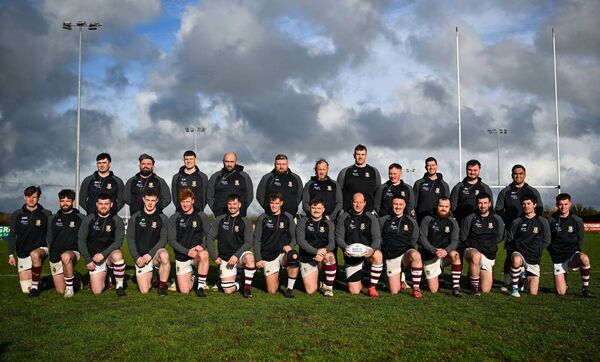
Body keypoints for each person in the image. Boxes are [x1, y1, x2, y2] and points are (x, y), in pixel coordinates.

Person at [496, 164, 543, 292]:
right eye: (515, 173)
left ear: (525, 175)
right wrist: (511, 223)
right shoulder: (505, 191)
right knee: (510, 254)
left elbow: (539, 209)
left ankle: (525, 279)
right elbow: (499, 209)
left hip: (529, 230)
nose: (518, 175)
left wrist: (530, 222)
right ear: (512, 175)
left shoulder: (532, 191)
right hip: (511, 229)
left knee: (530, 253)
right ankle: (507, 281)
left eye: (521, 173)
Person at [206, 194, 256, 298]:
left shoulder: (245, 221)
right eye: (230, 204)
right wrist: (214, 257)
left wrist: (236, 255)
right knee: (228, 291)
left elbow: (249, 242)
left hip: (240, 256)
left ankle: (247, 288)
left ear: (240, 205)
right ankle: (240, 283)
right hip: (226, 259)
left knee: (250, 258)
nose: (232, 206)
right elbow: (210, 238)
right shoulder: (220, 219)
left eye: (234, 204)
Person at [78, 193, 127, 296]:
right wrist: (88, 259)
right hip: (94, 257)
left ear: (111, 204)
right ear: (96, 204)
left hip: (109, 254)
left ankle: (119, 286)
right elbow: (81, 240)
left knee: (118, 255)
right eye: (100, 203)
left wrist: (103, 254)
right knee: (97, 291)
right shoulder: (89, 219)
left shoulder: (117, 220)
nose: (103, 206)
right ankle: (106, 276)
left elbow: (118, 242)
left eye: (106, 203)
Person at [335, 192, 383, 297]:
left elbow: (377, 239)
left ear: (365, 203)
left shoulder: (371, 217)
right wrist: (345, 248)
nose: (358, 205)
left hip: (367, 254)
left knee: (378, 255)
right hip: (351, 255)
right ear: (352, 202)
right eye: (356, 202)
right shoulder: (344, 217)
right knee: (354, 291)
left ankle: (372, 287)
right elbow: (339, 238)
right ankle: (361, 275)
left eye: (360, 202)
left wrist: (372, 250)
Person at [7, 186, 52, 296]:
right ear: (24, 197)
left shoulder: (46, 213)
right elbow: (12, 235)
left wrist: (52, 250)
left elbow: (50, 234)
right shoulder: (17, 214)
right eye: (28, 197)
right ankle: (42, 283)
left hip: (40, 249)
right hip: (22, 253)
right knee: (26, 289)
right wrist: (11, 255)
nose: (31, 199)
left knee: (35, 254)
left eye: (34, 197)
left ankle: (35, 287)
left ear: (39, 197)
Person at [127, 189, 172, 296]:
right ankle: (153, 273)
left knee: (164, 255)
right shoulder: (135, 217)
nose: (150, 203)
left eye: (153, 200)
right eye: (148, 200)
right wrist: (136, 257)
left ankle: (161, 286)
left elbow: (163, 240)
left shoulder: (163, 218)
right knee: (144, 290)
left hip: (155, 255)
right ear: (143, 199)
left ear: (157, 201)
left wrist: (150, 255)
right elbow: (130, 239)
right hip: (141, 257)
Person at [547, 193, 592, 297]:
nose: (563, 207)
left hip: (572, 255)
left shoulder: (577, 220)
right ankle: (563, 284)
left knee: (584, 258)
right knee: (561, 292)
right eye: (561, 204)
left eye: (566, 204)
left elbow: (580, 239)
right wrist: (553, 253)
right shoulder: (551, 220)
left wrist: (576, 252)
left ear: (570, 204)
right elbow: (548, 240)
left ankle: (585, 289)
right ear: (557, 205)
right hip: (558, 258)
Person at [254, 193, 299, 297]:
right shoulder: (263, 217)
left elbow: (294, 237)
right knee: (272, 291)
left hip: (283, 253)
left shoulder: (288, 217)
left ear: (281, 203)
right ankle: (277, 276)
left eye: (276, 203)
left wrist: (290, 247)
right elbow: (256, 240)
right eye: (272, 203)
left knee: (294, 256)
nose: (274, 206)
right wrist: (258, 258)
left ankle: (289, 289)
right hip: (268, 255)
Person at [506, 194, 550, 297]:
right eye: (524, 204)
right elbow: (510, 239)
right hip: (519, 253)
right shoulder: (517, 221)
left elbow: (547, 240)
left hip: (534, 257)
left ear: (534, 205)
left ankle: (522, 278)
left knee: (533, 293)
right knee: (516, 259)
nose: (526, 206)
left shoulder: (542, 221)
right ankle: (514, 289)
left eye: (529, 203)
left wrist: (537, 248)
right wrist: (514, 250)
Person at [460, 193, 505, 295]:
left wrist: (488, 244)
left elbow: (499, 237)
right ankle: (473, 288)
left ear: (489, 204)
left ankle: (473, 275)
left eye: (485, 203)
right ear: (477, 204)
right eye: (480, 203)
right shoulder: (470, 218)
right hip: (472, 250)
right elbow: (463, 237)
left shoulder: (497, 219)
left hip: (488, 253)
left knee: (485, 289)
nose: (482, 205)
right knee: (476, 256)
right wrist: (475, 245)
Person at [169, 188, 211, 296]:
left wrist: (202, 246)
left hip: (196, 255)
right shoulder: (175, 217)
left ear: (192, 201)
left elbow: (209, 235)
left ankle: (200, 287)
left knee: (204, 254)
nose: (185, 204)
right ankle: (195, 276)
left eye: (187, 201)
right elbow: (172, 241)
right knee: (184, 290)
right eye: (182, 202)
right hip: (182, 256)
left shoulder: (201, 216)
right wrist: (187, 252)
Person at [379, 195, 423, 298]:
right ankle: (391, 274)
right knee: (394, 291)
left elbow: (414, 239)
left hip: (405, 255)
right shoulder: (384, 220)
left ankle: (416, 288)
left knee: (416, 255)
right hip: (391, 256)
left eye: (400, 204)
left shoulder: (411, 221)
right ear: (391, 204)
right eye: (395, 204)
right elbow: (378, 237)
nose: (398, 207)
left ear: (405, 205)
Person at [419, 197, 462, 297]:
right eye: (441, 206)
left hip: (444, 254)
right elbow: (422, 239)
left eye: (446, 206)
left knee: (455, 255)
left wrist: (446, 251)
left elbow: (455, 241)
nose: (444, 208)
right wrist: (434, 251)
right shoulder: (428, 219)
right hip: (430, 255)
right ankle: (425, 275)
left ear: (450, 207)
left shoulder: (453, 222)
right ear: (437, 206)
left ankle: (455, 288)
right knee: (433, 290)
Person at [296, 198, 337, 297]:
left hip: (323, 256)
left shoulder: (329, 224)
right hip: (307, 257)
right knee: (311, 290)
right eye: (313, 207)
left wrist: (323, 252)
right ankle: (320, 283)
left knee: (330, 257)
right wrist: (316, 252)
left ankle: (329, 288)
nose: (316, 210)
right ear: (310, 208)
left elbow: (332, 244)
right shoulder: (302, 222)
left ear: (323, 209)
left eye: (319, 208)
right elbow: (301, 242)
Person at [47, 189, 84, 298]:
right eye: (62, 201)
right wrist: (50, 251)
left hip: (72, 253)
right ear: (59, 202)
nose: (65, 203)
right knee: (59, 290)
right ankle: (76, 278)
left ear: (73, 201)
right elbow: (49, 237)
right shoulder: (53, 218)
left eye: (68, 201)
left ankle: (70, 289)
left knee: (66, 256)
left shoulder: (80, 218)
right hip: (55, 254)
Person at [207, 152, 253, 217]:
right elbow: (209, 196)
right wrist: (216, 210)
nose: (229, 164)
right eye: (227, 161)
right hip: (220, 215)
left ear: (236, 162)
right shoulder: (215, 176)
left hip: (239, 216)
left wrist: (242, 208)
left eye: (232, 162)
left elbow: (250, 195)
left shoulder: (244, 176)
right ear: (223, 162)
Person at [337, 144, 381, 212]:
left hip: (368, 212)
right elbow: (338, 193)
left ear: (366, 155)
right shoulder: (345, 172)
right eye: (358, 154)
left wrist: (375, 209)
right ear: (354, 155)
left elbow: (378, 193)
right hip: (348, 212)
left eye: (363, 154)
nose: (360, 157)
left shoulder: (374, 171)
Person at [450, 159, 493, 224]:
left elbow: (490, 207)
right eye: (470, 170)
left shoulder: (485, 188)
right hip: (462, 223)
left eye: (475, 170)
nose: (472, 172)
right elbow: (453, 206)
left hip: (481, 224)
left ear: (479, 171)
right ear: (466, 170)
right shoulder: (458, 187)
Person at [413, 157, 450, 223]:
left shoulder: (444, 185)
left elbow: (447, 204)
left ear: (437, 166)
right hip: (421, 219)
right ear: (425, 167)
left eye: (433, 165)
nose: (431, 167)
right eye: (429, 165)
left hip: (438, 220)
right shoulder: (418, 183)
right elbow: (414, 203)